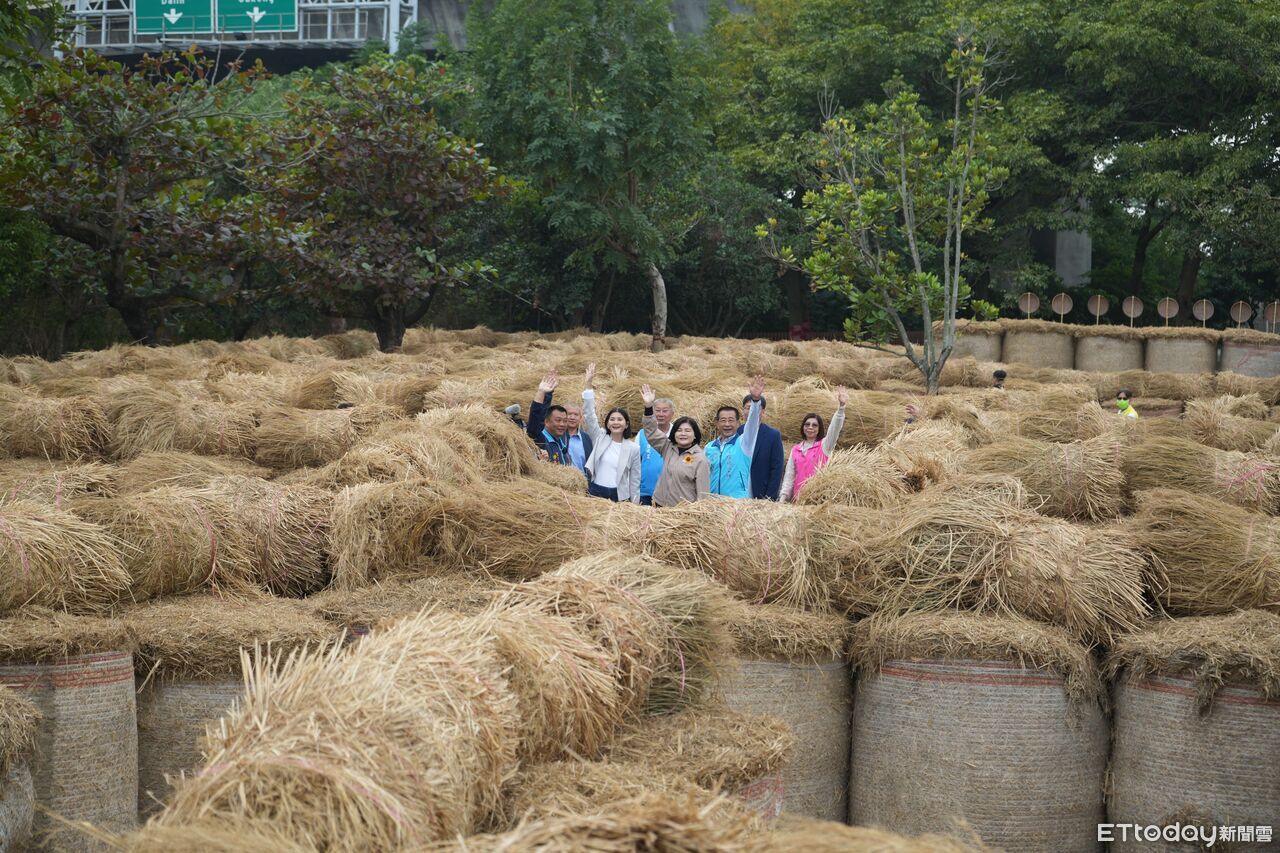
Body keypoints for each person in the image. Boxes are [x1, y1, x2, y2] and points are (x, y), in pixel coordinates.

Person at [640, 384, 709, 506]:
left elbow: (703, 494)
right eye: (679, 430)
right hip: (659, 506)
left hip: (681, 513)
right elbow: (651, 431)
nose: (683, 434)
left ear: (695, 435)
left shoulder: (700, 459)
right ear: (674, 433)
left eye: (687, 431)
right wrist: (649, 407)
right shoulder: (668, 448)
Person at [580, 363, 641, 502]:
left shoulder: (634, 449)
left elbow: (635, 479)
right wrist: (588, 385)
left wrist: (635, 505)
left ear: (626, 425)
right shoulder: (600, 437)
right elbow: (590, 415)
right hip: (596, 491)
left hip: (620, 496)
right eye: (612, 419)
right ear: (607, 423)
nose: (615, 422)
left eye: (620, 419)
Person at [780, 386, 848, 502]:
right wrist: (782, 499)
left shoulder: (824, 446)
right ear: (803, 427)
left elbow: (834, 429)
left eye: (814, 425)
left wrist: (841, 408)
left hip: (817, 501)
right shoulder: (795, 450)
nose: (810, 427)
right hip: (797, 501)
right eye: (807, 424)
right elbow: (789, 477)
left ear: (819, 428)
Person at [706, 375, 766, 498]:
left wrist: (755, 401)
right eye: (723, 420)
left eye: (731, 420)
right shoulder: (709, 447)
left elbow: (753, 423)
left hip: (736, 505)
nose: (727, 424)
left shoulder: (744, 443)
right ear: (717, 423)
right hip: (712, 504)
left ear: (738, 423)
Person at [740, 393, 784, 501]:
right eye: (748, 408)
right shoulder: (736, 432)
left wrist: (769, 497)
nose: (751, 411)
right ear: (743, 411)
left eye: (755, 408)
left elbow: (777, 468)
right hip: (738, 493)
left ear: (763, 412)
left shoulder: (773, 435)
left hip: (760, 494)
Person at [526, 372, 574, 465]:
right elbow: (536, 417)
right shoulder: (540, 439)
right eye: (558, 420)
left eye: (565, 421)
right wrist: (542, 392)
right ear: (546, 422)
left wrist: (549, 392)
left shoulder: (564, 438)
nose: (562, 424)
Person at [637, 396, 675, 506]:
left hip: (670, 493)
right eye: (657, 411)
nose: (661, 414)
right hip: (645, 492)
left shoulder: (678, 434)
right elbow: (635, 461)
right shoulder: (642, 434)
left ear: (672, 413)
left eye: (665, 411)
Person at [562, 402, 594, 473]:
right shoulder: (558, 436)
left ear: (581, 418)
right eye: (569, 414)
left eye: (576, 415)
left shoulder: (586, 438)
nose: (572, 417)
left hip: (582, 481)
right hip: (561, 479)